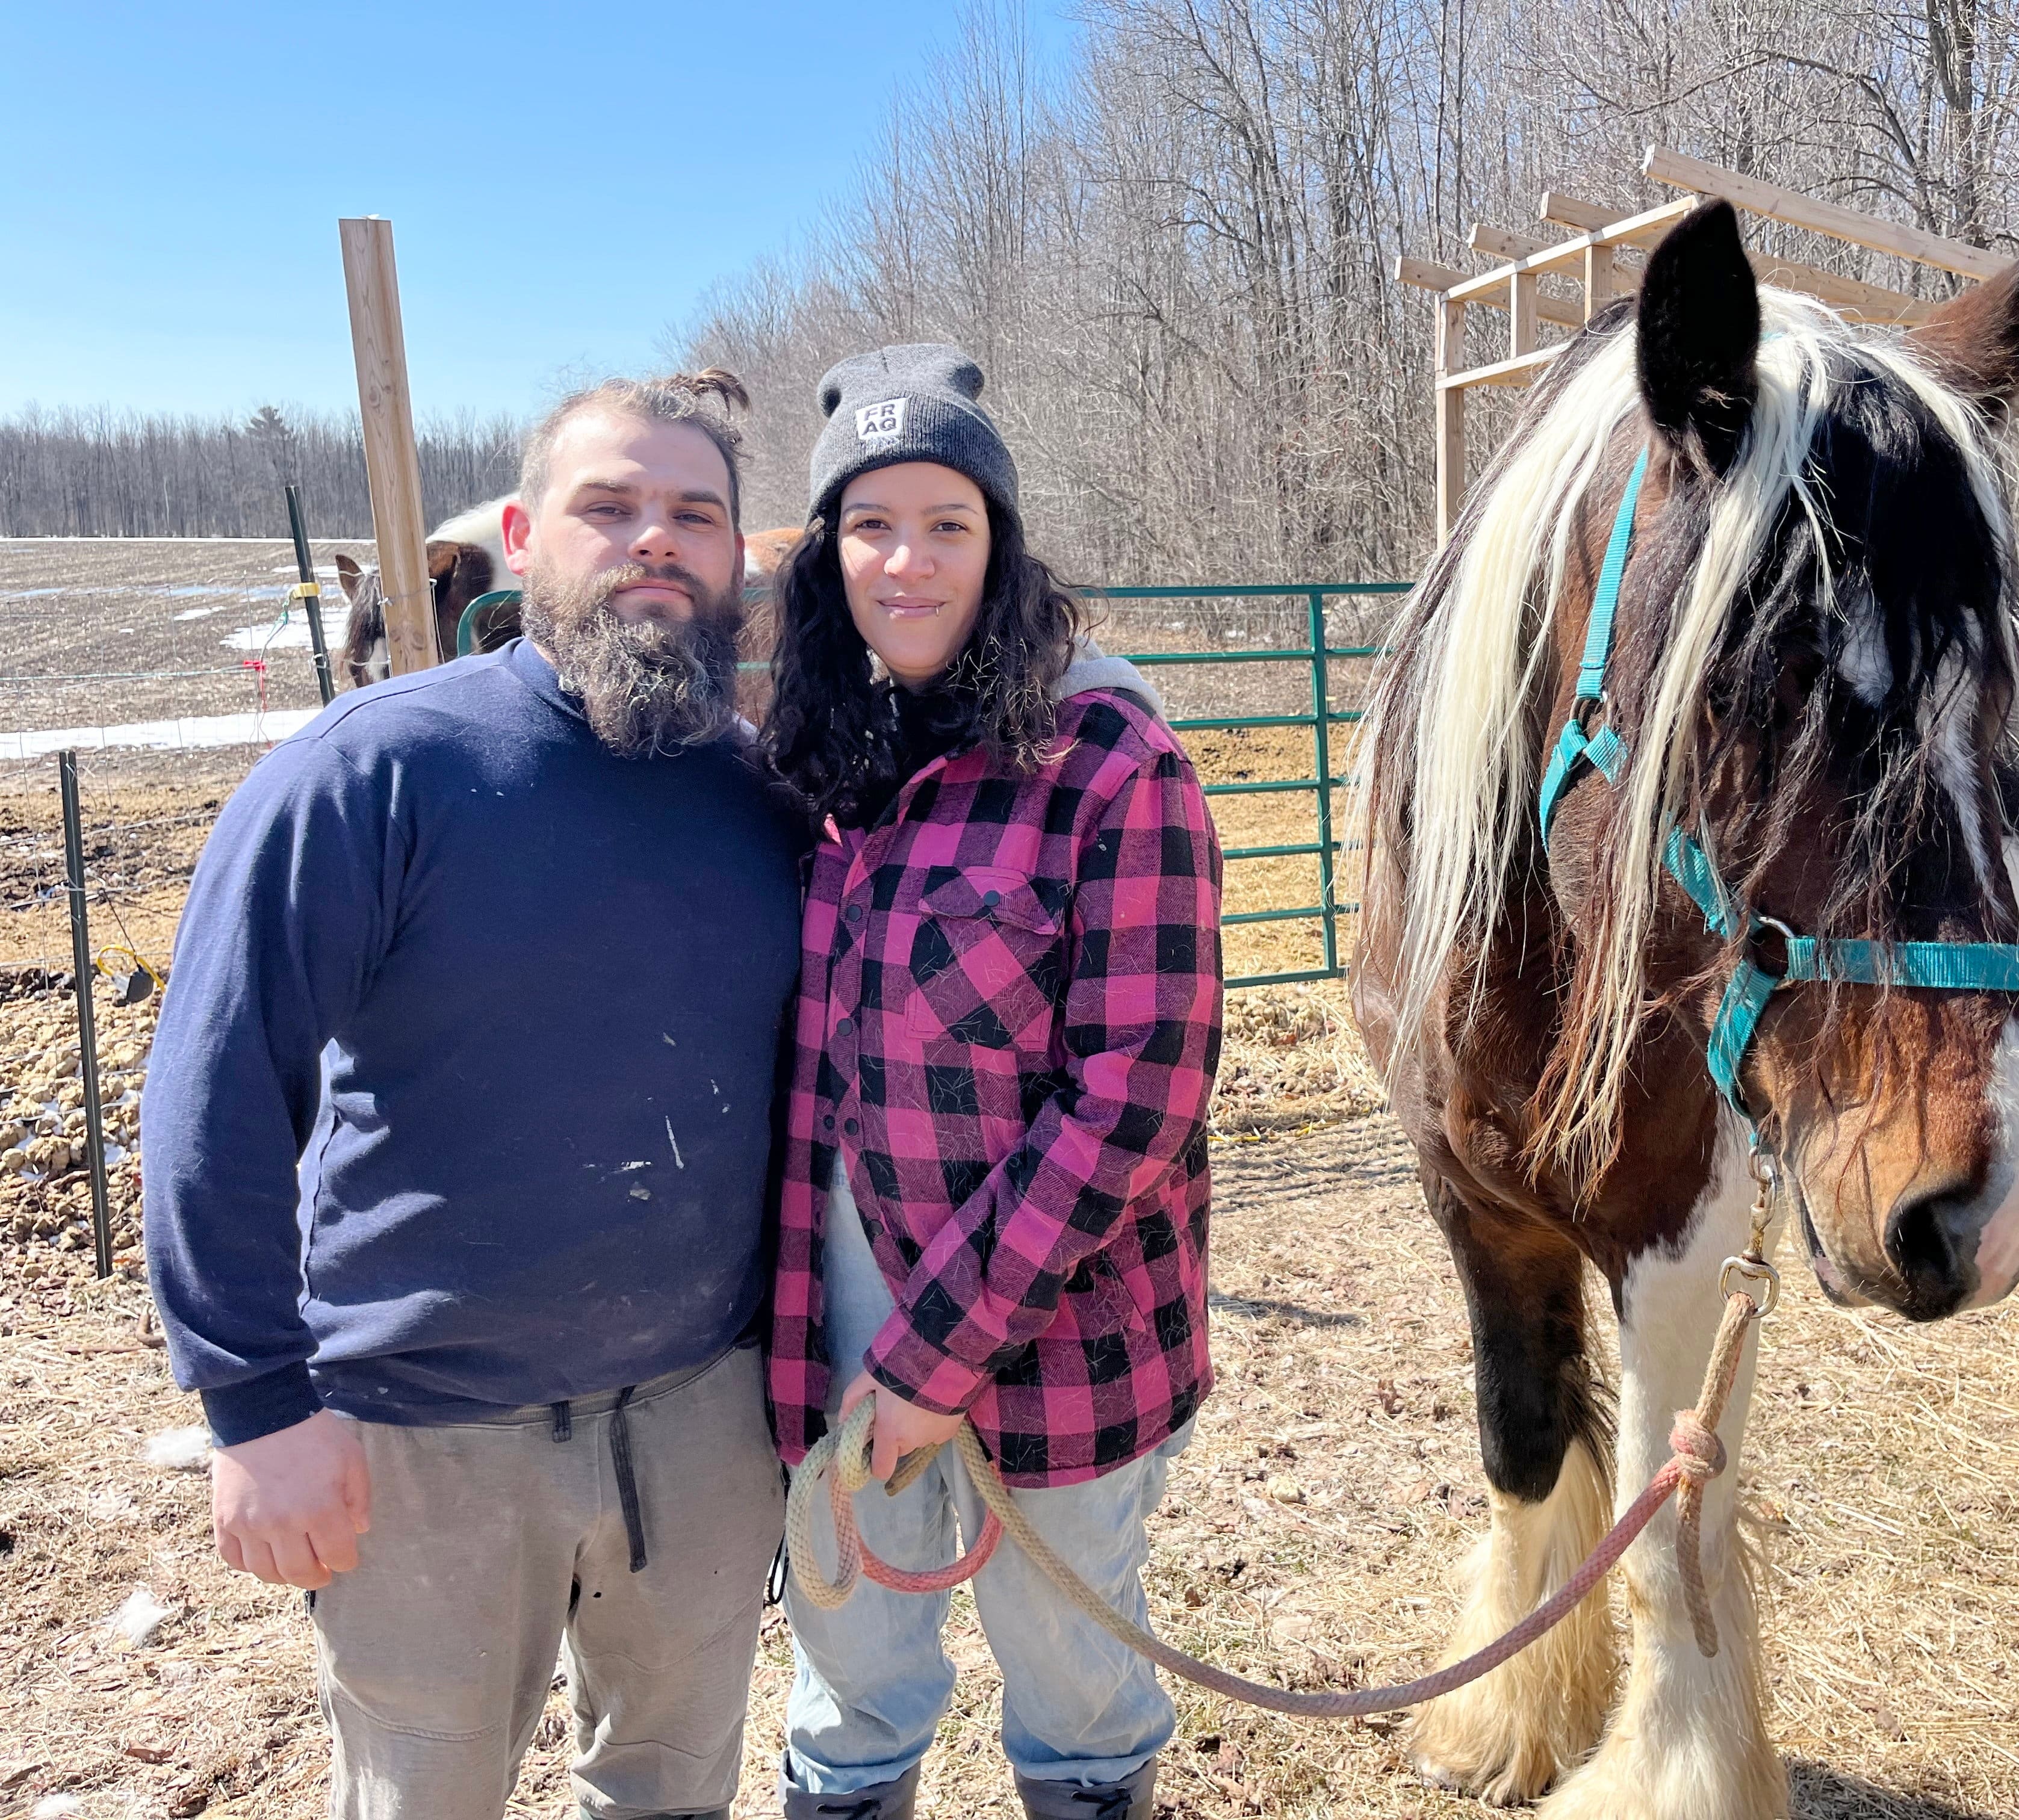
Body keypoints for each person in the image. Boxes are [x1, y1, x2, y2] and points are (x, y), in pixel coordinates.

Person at [144, 372, 804, 1820]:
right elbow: (217, 1097)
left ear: (738, 559)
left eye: (695, 515)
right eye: (608, 506)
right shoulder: (374, 774)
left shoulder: (768, 798)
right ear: (521, 536)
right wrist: (256, 1410)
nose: (654, 541)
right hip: (424, 1433)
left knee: (673, 1790)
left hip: (701, 1421)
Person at [760, 344, 1224, 1820]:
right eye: (869, 523)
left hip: (1064, 1333)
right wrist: (872, 1359)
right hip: (832, 1316)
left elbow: (1138, 1094)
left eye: (947, 524)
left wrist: (935, 1356)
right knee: (847, 1673)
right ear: (827, 550)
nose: (907, 561)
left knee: (1078, 1687)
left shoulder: (1109, 761)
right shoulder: (809, 762)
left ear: (999, 545)